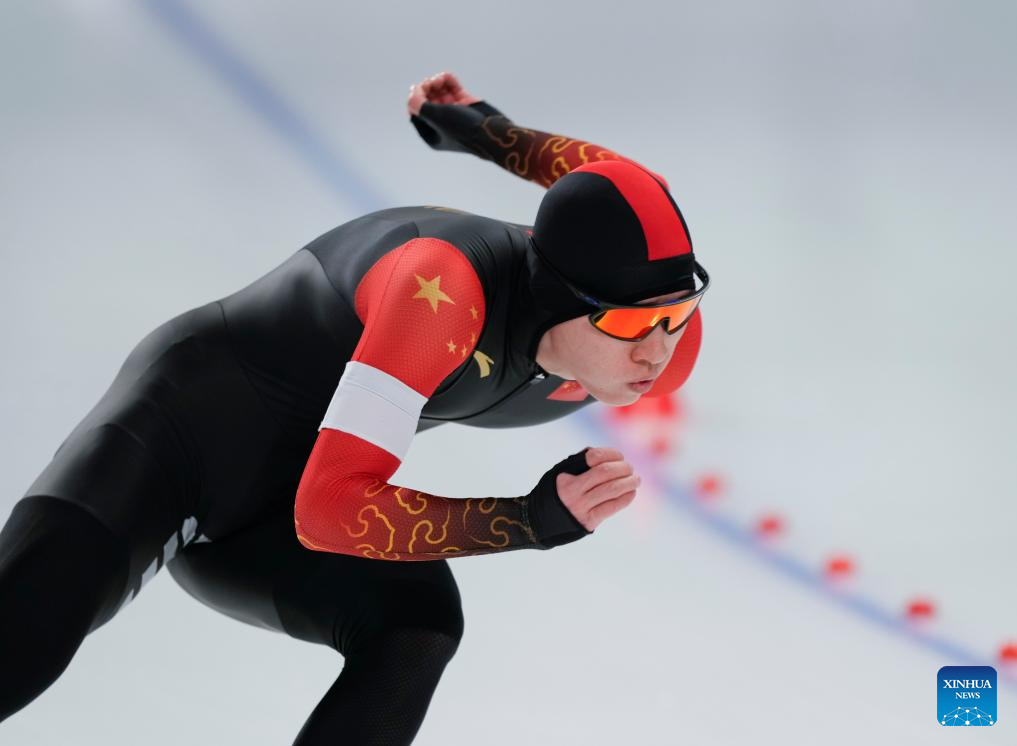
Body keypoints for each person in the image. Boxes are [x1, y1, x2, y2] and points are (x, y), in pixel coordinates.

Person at [0, 71, 709, 744]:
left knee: (417, 625)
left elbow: (624, 184)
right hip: (176, 435)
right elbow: (331, 508)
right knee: (27, 636)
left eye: (677, 312)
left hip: (279, 513)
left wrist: (486, 131)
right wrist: (524, 519)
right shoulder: (443, 292)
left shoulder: (657, 337)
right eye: (629, 323)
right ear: (558, 296)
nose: (657, 351)